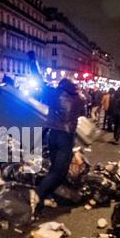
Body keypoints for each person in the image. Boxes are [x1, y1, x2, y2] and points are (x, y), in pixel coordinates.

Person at [29, 79, 85, 215]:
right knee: (59, 172)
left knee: (54, 169)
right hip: (66, 137)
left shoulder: (55, 94)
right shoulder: (79, 98)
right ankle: (38, 193)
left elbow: (40, 82)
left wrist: (32, 59)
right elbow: (83, 109)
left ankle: (44, 198)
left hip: (53, 135)